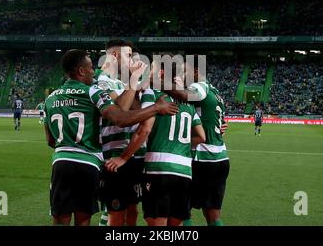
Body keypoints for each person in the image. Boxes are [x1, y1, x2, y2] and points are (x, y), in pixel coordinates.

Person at [44, 49, 178, 226]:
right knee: (83, 220)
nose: (94, 71)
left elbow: (50, 141)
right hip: (89, 163)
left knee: (60, 219)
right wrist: (156, 108)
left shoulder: (50, 99)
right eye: (91, 67)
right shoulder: (92, 91)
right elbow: (121, 119)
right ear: (81, 71)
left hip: (61, 162)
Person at [106, 59, 206, 226]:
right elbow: (201, 137)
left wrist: (123, 158)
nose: (148, 74)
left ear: (160, 73)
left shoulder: (153, 94)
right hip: (184, 171)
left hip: (158, 169)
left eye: (151, 70)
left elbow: (144, 129)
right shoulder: (188, 103)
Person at [162, 56, 230, 226]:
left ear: (196, 71)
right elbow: (218, 122)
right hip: (220, 158)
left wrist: (159, 82)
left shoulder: (197, 87)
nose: (182, 75)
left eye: (185, 71)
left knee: (182, 211)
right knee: (213, 216)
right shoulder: (215, 92)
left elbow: (187, 96)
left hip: (202, 157)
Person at [97, 40, 147, 226]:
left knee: (132, 209)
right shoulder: (102, 81)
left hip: (133, 155)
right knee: (116, 213)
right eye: (128, 54)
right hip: (115, 156)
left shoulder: (120, 82)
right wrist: (134, 78)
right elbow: (122, 109)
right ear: (115, 55)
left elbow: (137, 111)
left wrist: (134, 82)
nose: (131, 59)